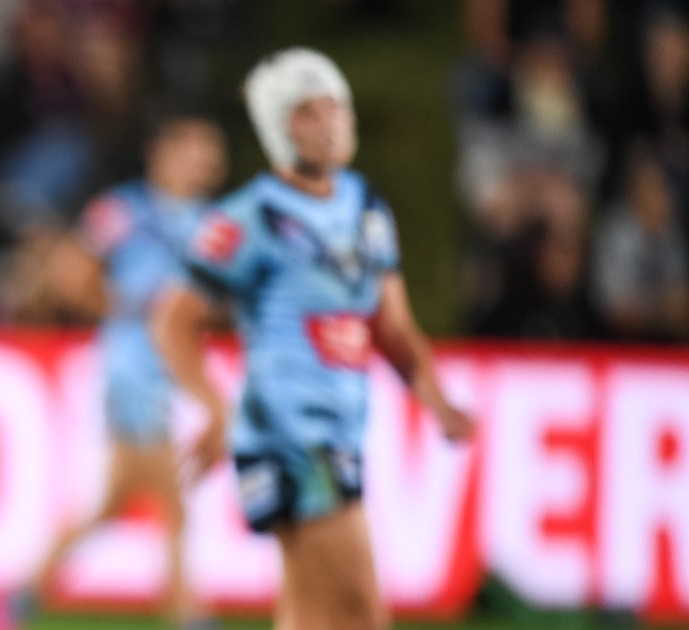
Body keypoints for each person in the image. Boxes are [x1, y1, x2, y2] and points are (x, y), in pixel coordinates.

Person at [152, 48, 474, 630]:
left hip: (338, 432)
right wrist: (214, 406)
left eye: (336, 107)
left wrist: (435, 398)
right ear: (278, 128)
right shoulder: (251, 216)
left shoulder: (366, 207)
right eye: (309, 112)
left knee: (313, 615)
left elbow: (392, 326)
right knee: (362, 613)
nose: (330, 123)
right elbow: (173, 318)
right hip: (291, 434)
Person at [15, 114, 226, 630]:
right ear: (163, 153)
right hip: (132, 371)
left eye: (210, 155)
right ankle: (187, 614)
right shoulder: (126, 209)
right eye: (195, 152)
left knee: (113, 504)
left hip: (167, 374)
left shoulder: (213, 223)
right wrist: (121, 308)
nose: (205, 164)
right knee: (173, 506)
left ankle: (17, 599)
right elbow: (69, 271)